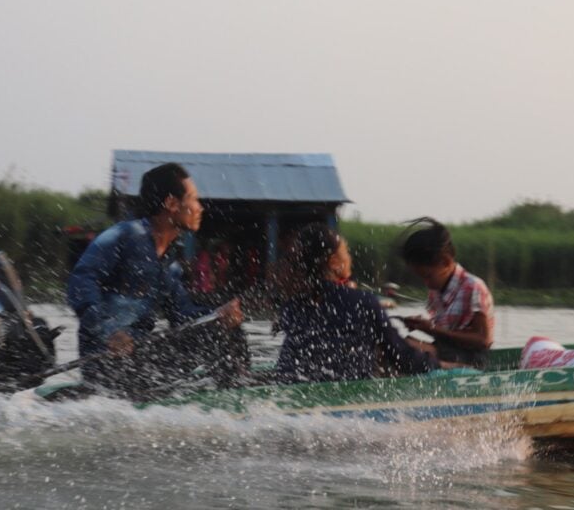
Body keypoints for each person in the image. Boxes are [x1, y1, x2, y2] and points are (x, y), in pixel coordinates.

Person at [67, 162, 246, 397]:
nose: (199, 208)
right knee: (217, 332)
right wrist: (109, 332)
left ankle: (234, 393)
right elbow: (80, 282)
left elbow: (181, 314)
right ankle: (234, 396)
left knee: (224, 328)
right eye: (193, 199)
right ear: (171, 203)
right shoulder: (123, 236)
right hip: (106, 363)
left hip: (141, 354)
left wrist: (218, 315)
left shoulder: (168, 262)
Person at [275, 224, 438, 383]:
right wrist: (436, 364)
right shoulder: (363, 301)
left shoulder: (291, 306)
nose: (350, 258)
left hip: (291, 384)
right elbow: (400, 356)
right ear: (334, 262)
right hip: (342, 394)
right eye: (346, 252)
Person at [401, 217, 494, 369]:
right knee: (394, 343)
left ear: (445, 261)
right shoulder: (436, 291)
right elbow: (444, 335)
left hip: (470, 358)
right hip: (445, 351)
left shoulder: (473, 287)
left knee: (404, 346)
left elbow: (483, 340)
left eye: (428, 276)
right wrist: (423, 327)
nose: (426, 283)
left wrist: (432, 329)